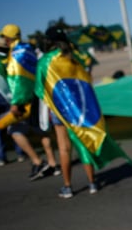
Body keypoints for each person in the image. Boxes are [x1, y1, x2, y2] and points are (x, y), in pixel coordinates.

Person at [35, 26, 100, 198]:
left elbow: (39, 89)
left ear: (48, 42)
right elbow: (87, 81)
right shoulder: (73, 57)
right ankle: (92, 183)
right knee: (82, 142)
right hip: (78, 107)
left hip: (59, 109)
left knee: (64, 148)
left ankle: (68, 187)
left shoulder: (45, 60)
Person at [0, 24, 58, 180]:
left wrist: (16, 103)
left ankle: (38, 161)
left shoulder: (16, 54)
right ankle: (52, 164)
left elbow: (18, 80)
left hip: (25, 99)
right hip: (39, 94)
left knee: (14, 130)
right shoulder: (28, 48)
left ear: (8, 37)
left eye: (4, 36)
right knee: (42, 129)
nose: (3, 39)